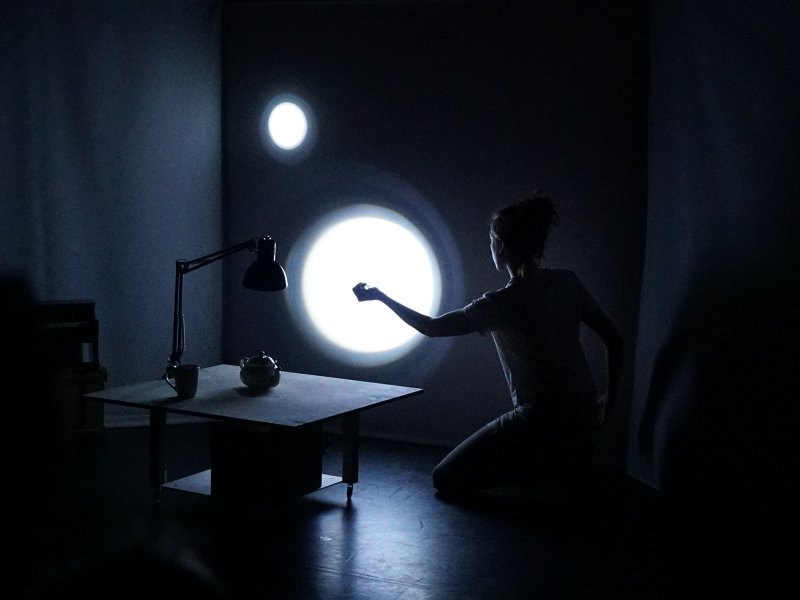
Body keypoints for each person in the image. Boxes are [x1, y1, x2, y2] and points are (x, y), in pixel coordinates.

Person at [352, 193, 622, 497]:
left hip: (540, 416)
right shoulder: (568, 282)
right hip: (583, 411)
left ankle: (545, 462)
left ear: (502, 247)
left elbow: (432, 327)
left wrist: (381, 297)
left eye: (491, 242)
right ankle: (558, 460)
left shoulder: (499, 304)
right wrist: (606, 402)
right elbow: (614, 339)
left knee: (445, 478)